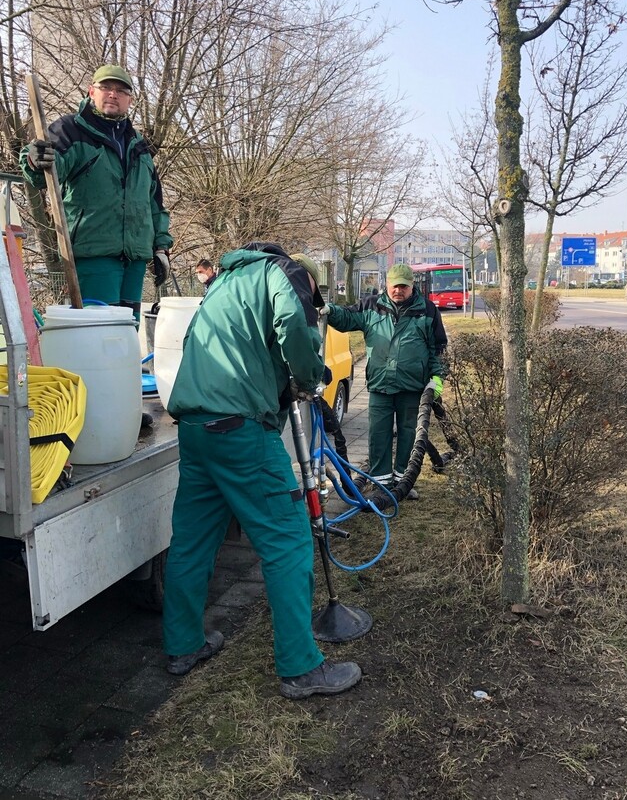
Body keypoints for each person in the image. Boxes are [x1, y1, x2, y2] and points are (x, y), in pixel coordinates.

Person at [162, 241, 362, 699]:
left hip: (194, 426)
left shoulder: (225, 282)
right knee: (288, 540)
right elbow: (294, 325)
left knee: (192, 542)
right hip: (241, 431)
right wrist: (308, 377)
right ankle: (300, 667)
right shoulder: (284, 273)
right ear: (307, 280)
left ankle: (183, 645)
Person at [20, 64, 173, 322]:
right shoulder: (70, 131)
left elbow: (154, 202)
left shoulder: (139, 145)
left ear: (130, 100)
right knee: (98, 329)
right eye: (106, 88)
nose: (113, 94)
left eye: (121, 91)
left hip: (134, 259)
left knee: (127, 330)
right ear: (92, 91)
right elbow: (45, 170)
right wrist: (34, 159)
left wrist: (161, 247)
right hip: (93, 254)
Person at [322, 263, 447, 499]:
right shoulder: (371, 306)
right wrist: (328, 310)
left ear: (412, 286)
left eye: (403, 286)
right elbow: (346, 317)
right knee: (378, 434)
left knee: (409, 434)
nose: (398, 290)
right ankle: (381, 484)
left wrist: (437, 378)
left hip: (413, 386)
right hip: (380, 385)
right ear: (386, 284)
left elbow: (438, 348)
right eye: (394, 286)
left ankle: (403, 483)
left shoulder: (427, 310)